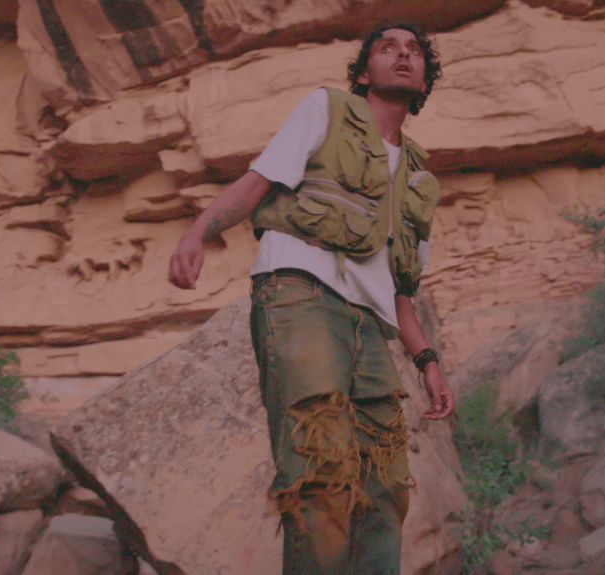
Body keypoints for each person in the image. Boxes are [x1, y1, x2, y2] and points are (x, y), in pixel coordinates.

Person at [168, 23, 454, 575]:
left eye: (415, 51)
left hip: (370, 330)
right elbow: (258, 182)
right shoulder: (325, 109)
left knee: (386, 487)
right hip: (300, 295)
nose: (403, 56)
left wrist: (427, 361)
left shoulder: (419, 174)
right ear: (365, 70)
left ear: (424, 78)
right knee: (320, 471)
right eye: (388, 48)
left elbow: (399, 289)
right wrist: (197, 231)